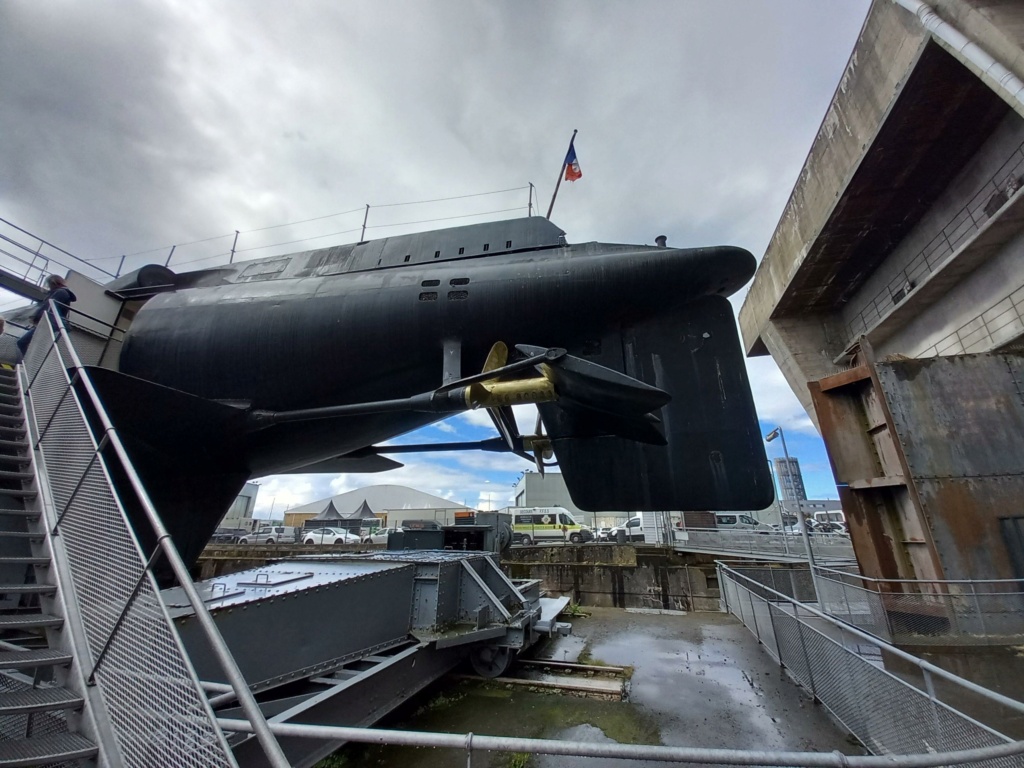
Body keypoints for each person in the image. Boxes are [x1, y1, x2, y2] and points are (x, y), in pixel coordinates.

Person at [16, 275, 77, 356]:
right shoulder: (60, 292)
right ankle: (30, 361)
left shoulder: (60, 292)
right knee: (26, 343)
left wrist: (37, 318)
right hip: (49, 322)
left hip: (50, 322)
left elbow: (49, 307)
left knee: (23, 342)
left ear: (53, 283)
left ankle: (30, 362)